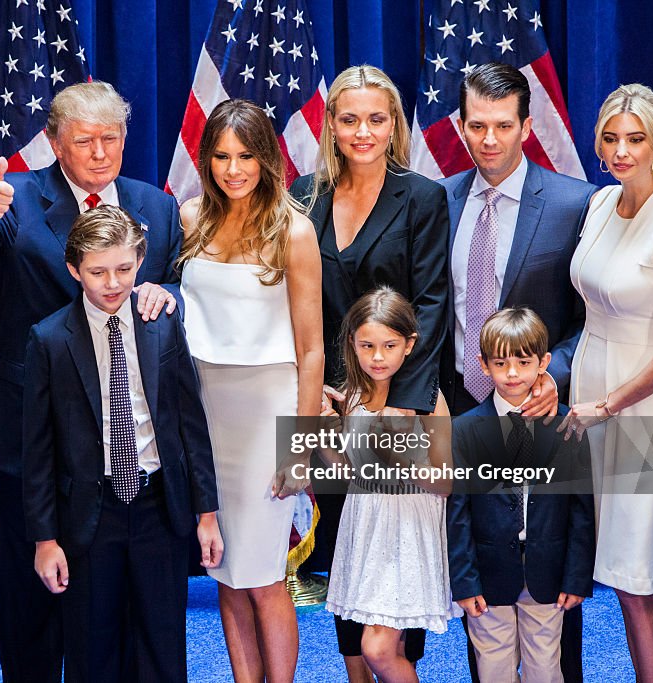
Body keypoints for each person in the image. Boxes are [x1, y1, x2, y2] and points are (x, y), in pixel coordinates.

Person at [0, 80, 182, 681]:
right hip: (33, 427)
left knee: (116, 595)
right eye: (84, 141)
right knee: (30, 588)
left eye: (111, 138)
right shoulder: (15, 197)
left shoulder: (155, 205)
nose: (100, 152)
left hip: (127, 434)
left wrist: (164, 291)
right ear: (53, 142)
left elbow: (177, 284)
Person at [288, 64, 449, 680]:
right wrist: (315, 401)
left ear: (394, 126)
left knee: (396, 559)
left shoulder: (424, 196)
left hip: (403, 402)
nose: (362, 131)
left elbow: (433, 300)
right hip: (330, 404)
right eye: (349, 119)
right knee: (342, 553)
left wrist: (403, 401)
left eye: (375, 119)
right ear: (330, 125)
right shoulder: (305, 195)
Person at [439, 62, 595, 683]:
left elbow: (595, 320)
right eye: (477, 125)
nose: (489, 140)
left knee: (552, 580)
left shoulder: (572, 203)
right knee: (485, 573)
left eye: (504, 126)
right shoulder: (439, 199)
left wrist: (553, 372)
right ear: (461, 125)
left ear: (527, 126)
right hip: (465, 412)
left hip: (543, 412)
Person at [22, 205, 222, 682]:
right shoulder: (49, 340)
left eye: (124, 269)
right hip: (91, 515)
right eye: (97, 271)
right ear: (74, 269)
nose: (112, 283)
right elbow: (38, 451)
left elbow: (191, 424)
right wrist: (45, 539)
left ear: (140, 261)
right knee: (93, 649)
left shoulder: (162, 322)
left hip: (159, 507)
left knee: (163, 644)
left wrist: (207, 513)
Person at [179, 98, 323, 682]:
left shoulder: (295, 229)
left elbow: (311, 348)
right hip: (205, 409)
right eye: (220, 156)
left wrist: (303, 446)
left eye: (244, 156)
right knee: (225, 570)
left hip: (270, 413)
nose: (232, 169)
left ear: (267, 159)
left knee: (263, 574)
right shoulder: (190, 218)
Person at [563, 83, 653, 682]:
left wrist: (606, 406)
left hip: (644, 410)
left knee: (638, 575)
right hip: (592, 394)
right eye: (611, 138)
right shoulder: (599, 204)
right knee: (630, 570)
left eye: (635, 139)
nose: (621, 151)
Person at [448, 308, 594, 683]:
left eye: (523, 362)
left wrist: (577, 578)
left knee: (545, 669)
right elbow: (457, 512)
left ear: (543, 363)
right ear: (482, 365)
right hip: (488, 575)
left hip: (548, 573)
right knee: (493, 668)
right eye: (500, 363)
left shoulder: (566, 427)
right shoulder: (464, 430)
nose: (512, 373)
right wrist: (464, 581)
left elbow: (581, 510)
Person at [321, 287, 453, 683]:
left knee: (376, 649)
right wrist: (327, 430)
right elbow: (346, 471)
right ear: (352, 344)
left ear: (410, 345)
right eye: (367, 345)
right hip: (366, 529)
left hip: (407, 533)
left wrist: (400, 457)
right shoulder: (355, 395)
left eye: (389, 345)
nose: (378, 356)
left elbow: (445, 482)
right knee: (388, 649)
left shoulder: (429, 400)